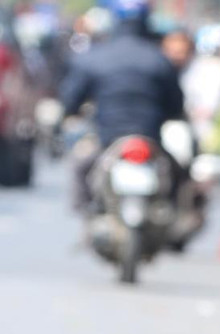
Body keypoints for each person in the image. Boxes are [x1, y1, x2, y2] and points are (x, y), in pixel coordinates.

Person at [59, 0, 184, 208]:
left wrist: (70, 113)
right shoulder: (159, 58)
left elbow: (71, 98)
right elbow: (176, 103)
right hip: (151, 138)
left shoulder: (94, 57)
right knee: (179, 174)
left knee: (81, 167)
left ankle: (90, 216)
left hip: (108, 139)